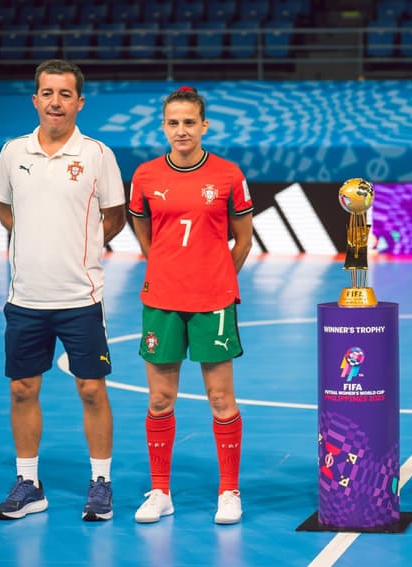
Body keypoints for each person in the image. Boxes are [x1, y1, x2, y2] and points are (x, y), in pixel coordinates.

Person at [0, 59, 126, 521]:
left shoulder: (98, 155)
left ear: (79, 102)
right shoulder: (12, 152)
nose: (55, 102)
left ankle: (101, 482)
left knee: (91, 389)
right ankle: (29, 483)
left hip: (80, 298)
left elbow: (114, 217)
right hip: (25, 297)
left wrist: (76, 246)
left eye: (65, 94)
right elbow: (7, 212)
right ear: (35, 99)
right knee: (23, 390)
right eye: (47, 93)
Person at [128, 86, 254, 525]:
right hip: (161, 298)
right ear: (164, 126)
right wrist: (164, 265)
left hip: (213, 300)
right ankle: (160, 491)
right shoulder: (145, 176)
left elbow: (243, 238)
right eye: (173, 123)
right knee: (160, 399)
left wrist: (216, 274)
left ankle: (229, 491)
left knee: (221, 398)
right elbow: (143, 232)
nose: (181, 131)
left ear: (204, 126)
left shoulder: (227, 174)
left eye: (189, 123)